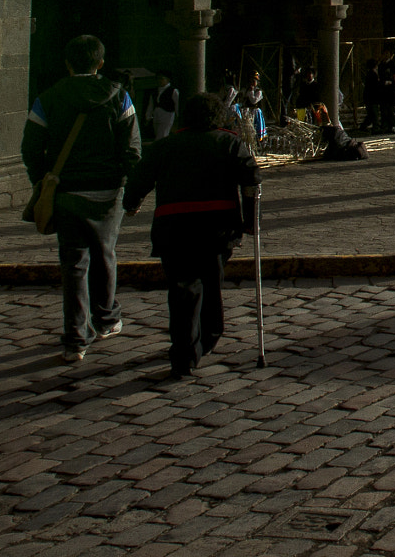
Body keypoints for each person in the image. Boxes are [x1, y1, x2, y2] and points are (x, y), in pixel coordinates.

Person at [22, 34, 142, 364]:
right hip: (106, 192)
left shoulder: (48, 98)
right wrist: (131, 193)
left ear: (68, 63)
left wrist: (43, 179)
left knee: (73, 263)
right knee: (105, 253)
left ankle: (75, 337)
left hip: (66, 191)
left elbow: (30, 149)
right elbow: (132, 150)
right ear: (100, 63)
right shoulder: (120, 97)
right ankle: (106, 318)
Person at [122, 92, 259, 379]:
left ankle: (183, 352)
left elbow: (139, 178)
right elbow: (250, 179)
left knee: (182, 289)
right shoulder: (229, 143)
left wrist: (131, 203)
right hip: (216, 228)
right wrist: (249, 221)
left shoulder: (165, 146)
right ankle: (208, 335)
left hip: (174, 228)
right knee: (210, 283)